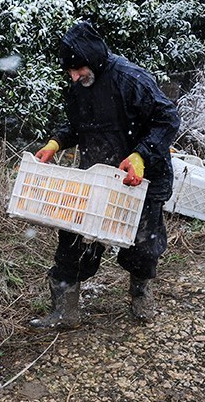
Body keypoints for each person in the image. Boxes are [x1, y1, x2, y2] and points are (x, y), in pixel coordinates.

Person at [29, 20, 180, 329]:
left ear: (94, 59)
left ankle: (141, 296)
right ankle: (65, 312)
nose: (74, 76)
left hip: (140, 178)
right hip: (96, 177)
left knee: (142, 245)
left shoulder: (130, 80)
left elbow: (168, 118)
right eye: (69, 71)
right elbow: (76, 125)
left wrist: (140, 155)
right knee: (73, 239)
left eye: (79, 69)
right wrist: (55, 143)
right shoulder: (79, 86)